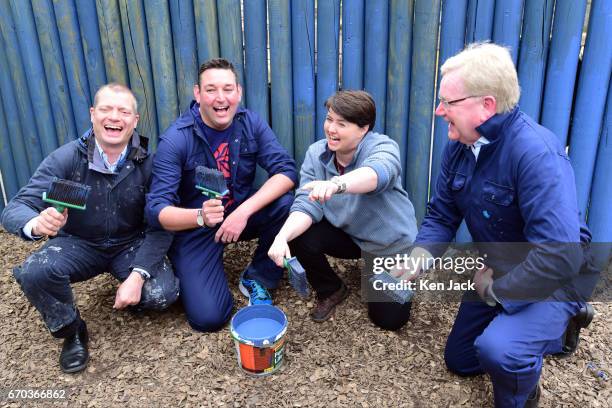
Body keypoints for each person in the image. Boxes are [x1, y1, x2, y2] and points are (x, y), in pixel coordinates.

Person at [394, 43, 598, 407]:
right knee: (460, 360)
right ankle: (554, 329)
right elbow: (442, 214)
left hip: (556, 276)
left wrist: (496, 292)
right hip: (499, 265)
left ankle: (523, 393)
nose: (439, 111)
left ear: (486, 105)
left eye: (448, 103)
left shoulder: (535, 154)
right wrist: (419, 256)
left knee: (499, 352)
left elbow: (559, 256)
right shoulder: (461, 144)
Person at [1, 83, 179, 374]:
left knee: (162, 294)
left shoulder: (149, 164)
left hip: (129, 244)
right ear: (93, 114)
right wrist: (36, 222)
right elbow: (15, 208)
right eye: (107, 109)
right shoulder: (67, 159)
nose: (115, 117)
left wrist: (137, 276)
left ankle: (127, 287)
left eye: (124, 111)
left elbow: (161, 226)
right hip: (79, 244)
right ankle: (70, 329)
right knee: (35, 271)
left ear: (135, 121)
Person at [145, 58, 297, 332]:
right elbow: (156, 210)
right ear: (197, 94)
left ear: (238, 92)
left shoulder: (250, 123)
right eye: (211, 90)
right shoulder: (176, 139)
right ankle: (185, 269)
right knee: (209, 318)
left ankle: (257, 277)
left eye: (228, 89)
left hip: (238, 212)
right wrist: (200, 216)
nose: (220, 98)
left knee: (286, 204)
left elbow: (286, 171)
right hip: (196, 227)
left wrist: (242, 212)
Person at [268, 90, 418, 329]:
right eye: (329, 119)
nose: (331, 129)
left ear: (363, 128)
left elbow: (378, 173)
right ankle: (332, 289)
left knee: (389, 320)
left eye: (342, 124)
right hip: (349, 235)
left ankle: (391, 272)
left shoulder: (381, 146)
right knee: (298, 232)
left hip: (387, 243)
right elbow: (306, 204)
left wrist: (336, 184)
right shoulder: (316, 154)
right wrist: (281, 237)